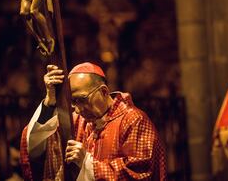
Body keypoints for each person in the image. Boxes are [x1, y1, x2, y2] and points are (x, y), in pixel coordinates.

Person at [20, 62, 167, 180]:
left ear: (103, 91)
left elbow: (140, 172)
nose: (77, 109)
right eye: (73, 101)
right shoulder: (77, 121)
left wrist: (87, 163)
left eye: (82, 100)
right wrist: (50, 100)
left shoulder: (133, 120)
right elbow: (37, 143)